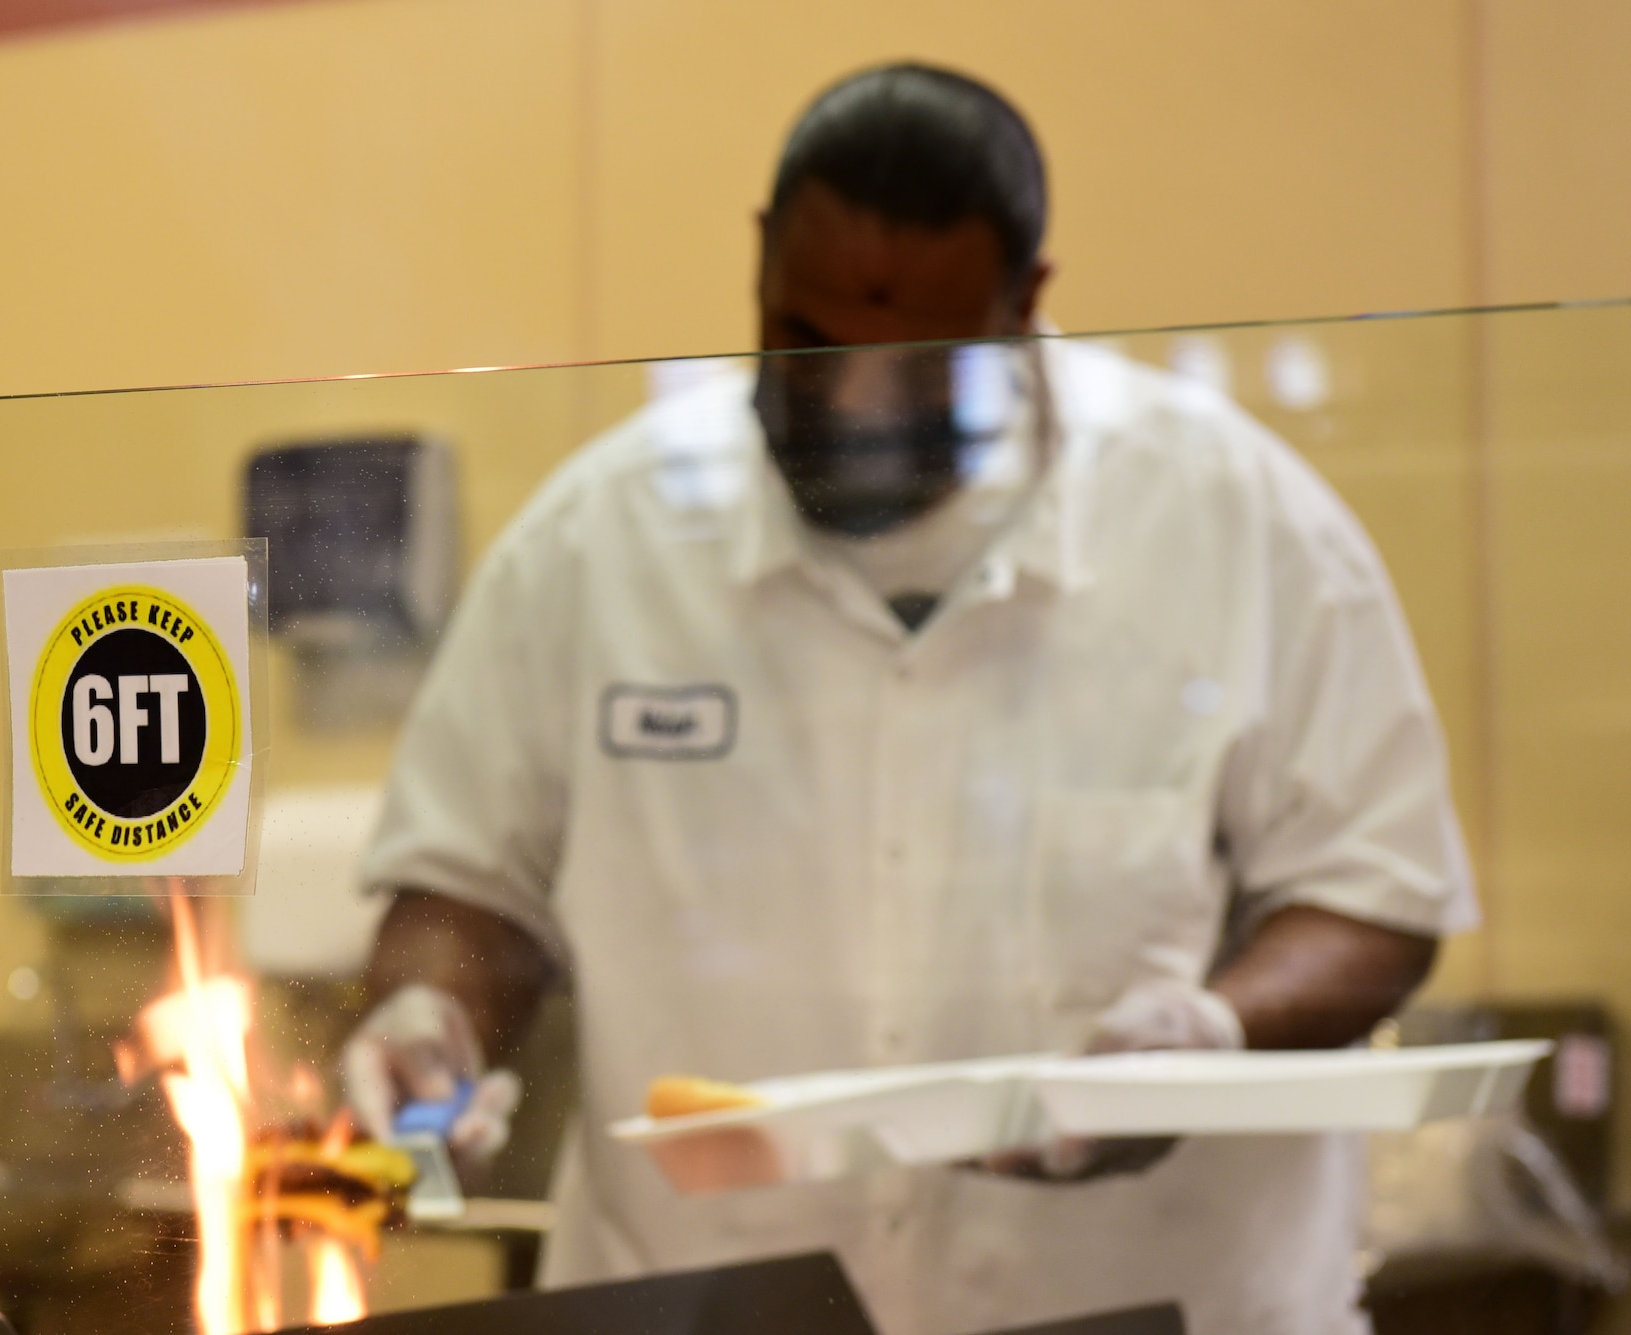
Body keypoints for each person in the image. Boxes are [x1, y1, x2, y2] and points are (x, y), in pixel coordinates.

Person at [342, 64, 1474, 1334]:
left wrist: (1208, 1036)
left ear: (1023, 302)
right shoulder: (597, 546)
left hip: (1152, 1304)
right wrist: (426, 1022)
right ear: (760, 265)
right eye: (808, 345)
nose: (853, 406)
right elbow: (466, 895)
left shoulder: (1236, 526)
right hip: (700, 1303)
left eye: (914, 363)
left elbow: (1373, 896)